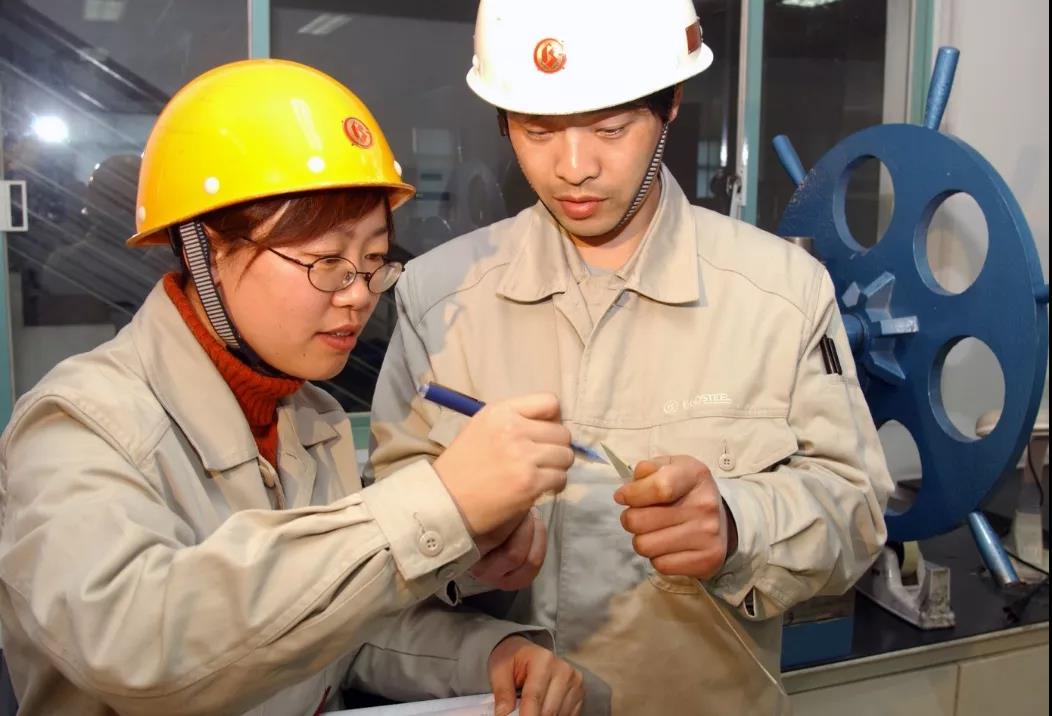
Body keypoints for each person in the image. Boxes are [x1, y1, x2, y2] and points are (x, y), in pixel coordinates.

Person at [0, 59, 584, 716]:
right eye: (326, 262)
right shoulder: (79, 423)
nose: (358, 295)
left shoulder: (311, 418)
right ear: (207, 249)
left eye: (373, 261)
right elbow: (136, 641)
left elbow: (325, 635)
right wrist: (440, 503)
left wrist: (488, 655)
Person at [368, 2, 894, 713]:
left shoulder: (782, 294)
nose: (573, 169)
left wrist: (738, 525)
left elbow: (857, 513)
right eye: (537, 131)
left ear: (671, 103)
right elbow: (380, 542)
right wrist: (461, 547)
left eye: (611, 128)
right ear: (501, 121)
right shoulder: (439, 300)